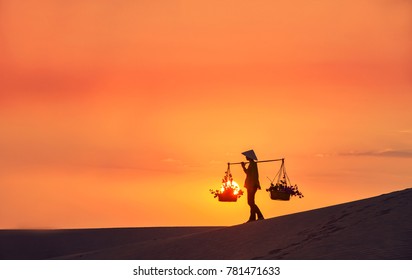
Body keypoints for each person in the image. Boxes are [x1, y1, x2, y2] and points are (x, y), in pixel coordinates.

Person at [241, 149, 264, 222]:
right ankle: (252, 218)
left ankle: (259, 216)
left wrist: (243, 167)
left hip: (252, 185)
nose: (245, 157)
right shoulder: (252, 164)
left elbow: (252, 174)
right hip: (251, 185)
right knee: (251, 202)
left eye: (246, 156)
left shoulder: (253, 164)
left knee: (250, 202)